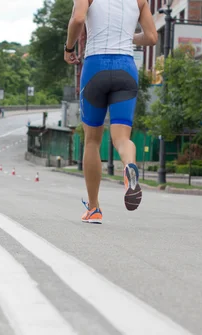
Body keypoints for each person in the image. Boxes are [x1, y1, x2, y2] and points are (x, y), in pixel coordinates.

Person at [64, 0, 157, 224]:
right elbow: (152, 37)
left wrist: (69, 48)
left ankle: (94, 208)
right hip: (126, 67)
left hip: (96, 67)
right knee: (122, 138)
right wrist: (130, 37)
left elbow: (78, 19)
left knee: (92, 140)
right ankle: (130, 167)